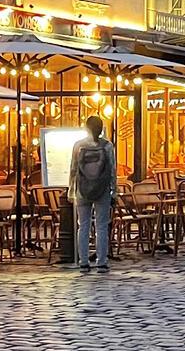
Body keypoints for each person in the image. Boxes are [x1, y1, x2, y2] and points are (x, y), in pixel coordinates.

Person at [68, 115, 117, 273]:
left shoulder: (78, 145)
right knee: (101, 226)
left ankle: (83, 262)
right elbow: (112, 170)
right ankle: (101, 262)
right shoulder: (107, 146)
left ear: (86, 128)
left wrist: (71, 190)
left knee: (83, 226)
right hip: (102, 190)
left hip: (82, 190)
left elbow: (73, 169)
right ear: (101, 128)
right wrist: (114, 190)